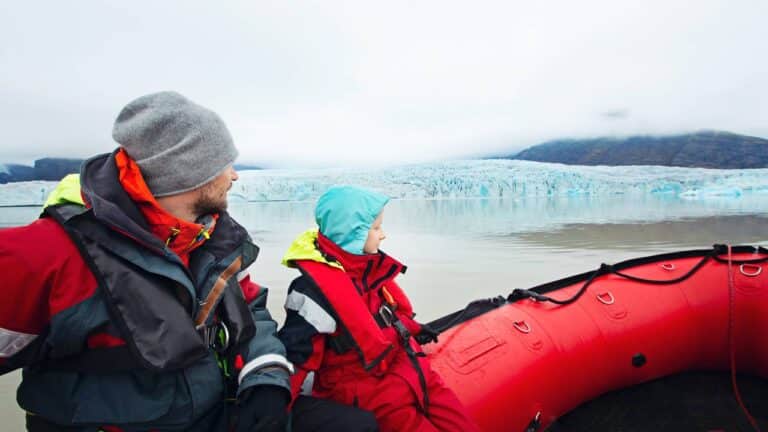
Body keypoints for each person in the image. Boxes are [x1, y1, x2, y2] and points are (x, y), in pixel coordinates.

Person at [0, 92, 377, 431]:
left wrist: (266, 381)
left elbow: (252, 315)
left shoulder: (209, 239)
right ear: (187, 172)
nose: (234, 176)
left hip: (216, 411)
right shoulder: (47, 251)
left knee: (356, 426)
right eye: (224, 165)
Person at [278, 185, 480, 432]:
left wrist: (414, 327)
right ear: (352, 233)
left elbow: (384, 320)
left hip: (416, 375)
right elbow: (296, 359)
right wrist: (274, 414)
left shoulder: (367, 273)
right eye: (375, 228)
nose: (382, 235)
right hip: (375, 398)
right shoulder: (314, 292)